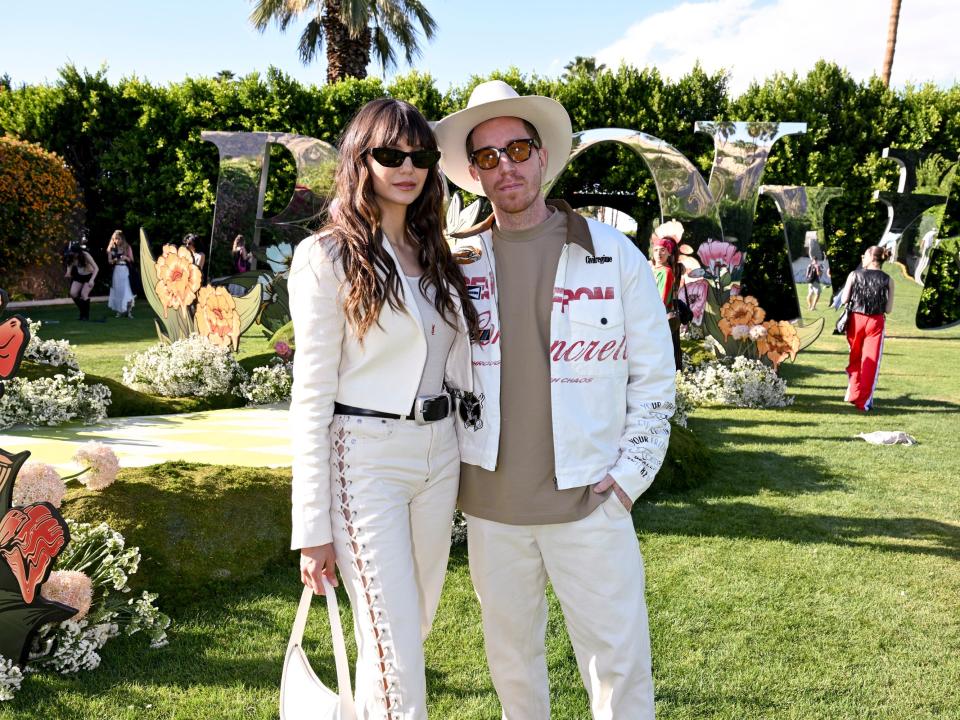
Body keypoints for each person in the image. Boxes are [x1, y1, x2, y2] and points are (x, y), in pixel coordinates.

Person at [434, 80, 676, 720]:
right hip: (490, 508)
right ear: (475, 173)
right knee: (513, 667)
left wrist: (627, 480)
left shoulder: (611, 254)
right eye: (488, 156)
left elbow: (654, 379)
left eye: (517, 149)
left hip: (589, 501)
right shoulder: (456, 263)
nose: (505, 166)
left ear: (543, 157)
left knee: (618, 665)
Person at [288, 98, 479, 719]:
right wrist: (312, 528)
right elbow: (311, 395)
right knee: (394, 644)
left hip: (439, 453)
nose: (407, 167)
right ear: (360, 160)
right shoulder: (327, 256)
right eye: (389, 154)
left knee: (408, 627)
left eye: (421, 156)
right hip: (364, 458)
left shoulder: (437, 254)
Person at [839, 245, 894, 411]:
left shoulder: (854, 275)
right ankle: (863, 402)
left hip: (856, 320)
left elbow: (844, 300)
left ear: (871, 257)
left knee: (855, 357)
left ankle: (853, 393)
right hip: (876, 322)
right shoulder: (888, 279)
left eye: (864, 255)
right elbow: (889, 309)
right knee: (871, 362)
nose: (862, 258)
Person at [650, 221, 683, 370]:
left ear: (669, 253)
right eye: (656, 250)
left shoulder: (666, 271)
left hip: (659, 315)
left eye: (663, 250)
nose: (659, 253)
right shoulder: (652, 268)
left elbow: (663, 298)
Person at [64, 241, 98, 321]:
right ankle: (83, 311)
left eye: (73, 253)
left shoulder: (85, 255)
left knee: (84, 294)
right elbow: (69, 264)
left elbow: (96, 268)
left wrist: (92, 280)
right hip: (80, 276)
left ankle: (85, 316)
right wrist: (68, 272)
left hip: (89, 276)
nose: (71, 254)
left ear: (77, 252)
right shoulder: (71, 256)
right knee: (73, 293)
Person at [106, 230, 135, 318]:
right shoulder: (111, 248)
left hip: (125, 270)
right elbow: (109, 261)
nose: (116, 241)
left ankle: (129, 311)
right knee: (118, 291)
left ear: (122, 238)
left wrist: (125, 257)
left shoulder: (127, 247)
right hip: (117, 270)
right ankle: (119, 311)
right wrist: (114, 260)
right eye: (115, 239)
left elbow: (132, 260)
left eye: (118, 239)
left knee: (127, 290)